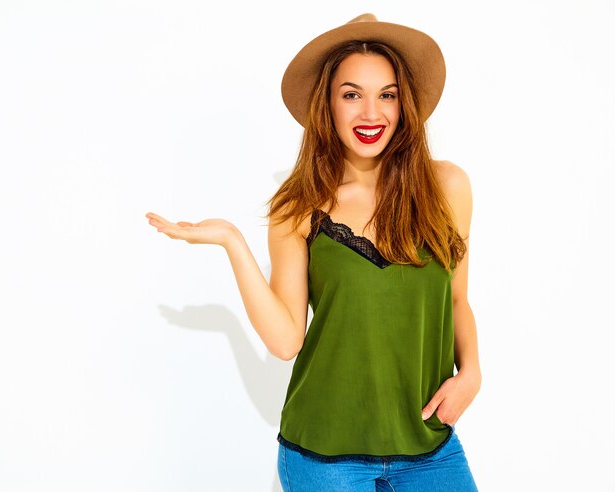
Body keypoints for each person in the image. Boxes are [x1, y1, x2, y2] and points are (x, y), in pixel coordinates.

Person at [145, 13, 481, 492]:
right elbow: (286, 342)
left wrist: (471, 374)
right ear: (327, 103)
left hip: (429, 450)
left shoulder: (448, 187)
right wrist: (233, 243)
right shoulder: (299, 207)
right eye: (352, 94)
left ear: (404, 103)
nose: (371, 113)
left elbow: (457, 299)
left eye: (387, 94)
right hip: (326, 460)